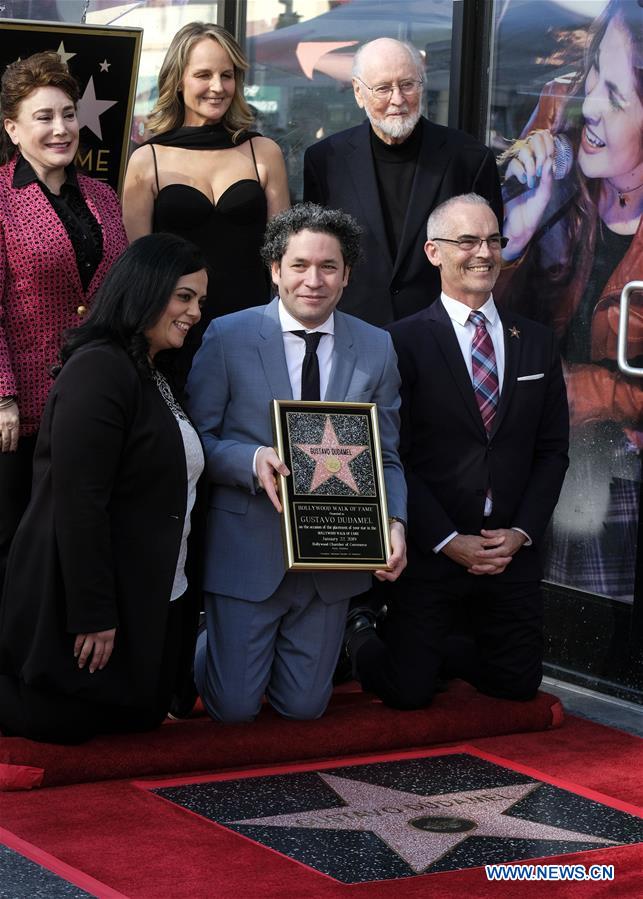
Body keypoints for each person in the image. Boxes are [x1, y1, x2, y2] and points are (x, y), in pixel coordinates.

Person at [185, 203, 407, 724]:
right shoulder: (227, 336)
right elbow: (196, 440)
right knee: (233, 711)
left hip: (332, 558)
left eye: (328, 267)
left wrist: (394, 523)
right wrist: (252, 458)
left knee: (304, 710)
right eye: (300, 265)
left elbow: (387, 455)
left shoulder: (376, 348)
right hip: (247, 551)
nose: (313, 280)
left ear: (347, 275)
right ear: (275, 270)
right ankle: (201, 645)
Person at [346, 194, 569, 710]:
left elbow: (553, 450)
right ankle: (358, 633)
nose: (484, 253)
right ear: (433, 252)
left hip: (508, 552)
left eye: (493, 240)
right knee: (408, 692)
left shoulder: (536, 341)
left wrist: (519, 533)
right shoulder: (399, 342)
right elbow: (392, 452)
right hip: (433, 548)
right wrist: (446, 539)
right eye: (467, 240)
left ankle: (446, 648)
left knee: (517, 685)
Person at [0, 234, 208, 744]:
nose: (195, 312)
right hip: (85, 605)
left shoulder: (152, 372)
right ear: (144, 289)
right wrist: (93, 615)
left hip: (150, 595)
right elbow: (78, 503)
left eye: (201, 300)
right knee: (62, 722)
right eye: (184, 296)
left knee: (140, 716)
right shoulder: (98, 369)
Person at [498, 0, 642, 600]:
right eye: (592, 81)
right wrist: (519, 233)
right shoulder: (561, 179)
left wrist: (580, 389)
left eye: (618, 93)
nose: (592, 108)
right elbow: (481, 330)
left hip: (621, 478)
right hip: (539, 462)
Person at [0, 51, 128, 591]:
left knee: (83, 542)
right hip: (24, 411)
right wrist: (2, 396)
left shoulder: (103, 195)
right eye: (44, 117)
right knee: (18, 547)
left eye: (69, 114)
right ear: (12, 128)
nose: (61, 128)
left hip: (96, 401)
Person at [123, 21, 289, 387]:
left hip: (253, 326)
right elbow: (140, 270)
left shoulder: (263, 152)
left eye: (226, 75)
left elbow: (282, 258)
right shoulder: (146, 160)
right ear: (178, 80)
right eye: (203, 74)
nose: (218, 87)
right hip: (176, 335)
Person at [303, 37, 503, 327]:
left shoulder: (469, 158)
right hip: (354, 331)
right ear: (359, 93)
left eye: (407, 85)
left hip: (442, 333)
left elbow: (488, 252)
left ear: (421, 86)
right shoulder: (325, 160)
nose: (397, 99)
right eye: (383, 88)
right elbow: (317, 250)